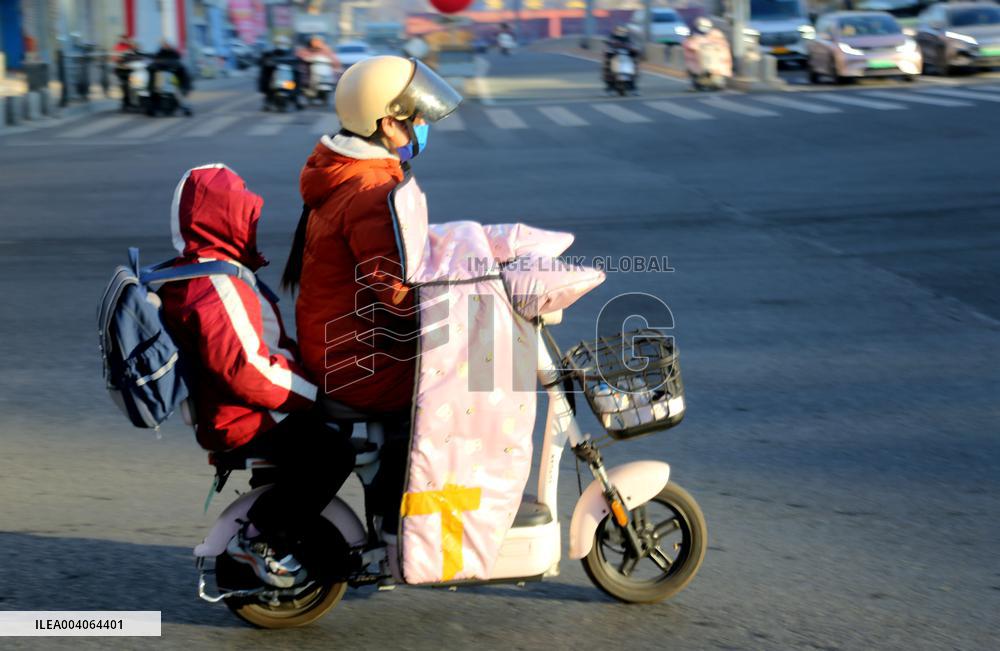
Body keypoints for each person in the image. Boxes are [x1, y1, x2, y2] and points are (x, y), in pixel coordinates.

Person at [280, 56, 461, 563]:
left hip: (340, 342)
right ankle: (395, 523)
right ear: (387, 123)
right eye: (416, 117)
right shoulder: (369, 191)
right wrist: (459, 312)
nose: (422, 126)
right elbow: (397, 294)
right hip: (356, 358)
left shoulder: (349, 171)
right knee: (448, 391)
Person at [158, 164, 357, 588]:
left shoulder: (201, 273)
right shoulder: (214, 284)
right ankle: (260, 540)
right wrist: (313, 393)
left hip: (238, 409)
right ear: (224, 218)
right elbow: (246, 370)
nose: (252, 223)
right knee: (333, 453)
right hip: (246, 416)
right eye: (245, 215)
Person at [147, 40, 193, 115]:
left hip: (173, 77)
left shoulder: (174, 54)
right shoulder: (159, 54)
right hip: (161, 79)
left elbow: (180, 67)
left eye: (167, 44)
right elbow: (152, 65)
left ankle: (184, 90)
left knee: (182, 84)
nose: (166, 46)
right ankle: (152, 98)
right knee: (153, 88)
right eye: (164, 44)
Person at [258, 36, 301, 110]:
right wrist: (265, 62)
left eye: (284, 43)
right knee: (265, 76)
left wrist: (297, 63)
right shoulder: (270, 53)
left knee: (297, 77)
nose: (282, 45)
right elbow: (262, 61)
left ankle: (296, 99)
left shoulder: (291, 53)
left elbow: (298, 60)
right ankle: (268, 101)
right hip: (275, 77)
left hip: (287, 78)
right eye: (280, 43)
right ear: (276, 44)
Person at [603, 25, 640, 94]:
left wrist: (634, 50)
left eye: (623, 31)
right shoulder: (611, 38)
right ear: (615, 31)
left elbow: (634, 47)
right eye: (619, 31)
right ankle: (609, 87)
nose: (621, 32)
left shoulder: (628, 39)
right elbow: (607, 47)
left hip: (626, 57)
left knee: (634, 66)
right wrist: (609, 50)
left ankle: (632, 86)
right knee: (608, 67)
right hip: (615, 57)